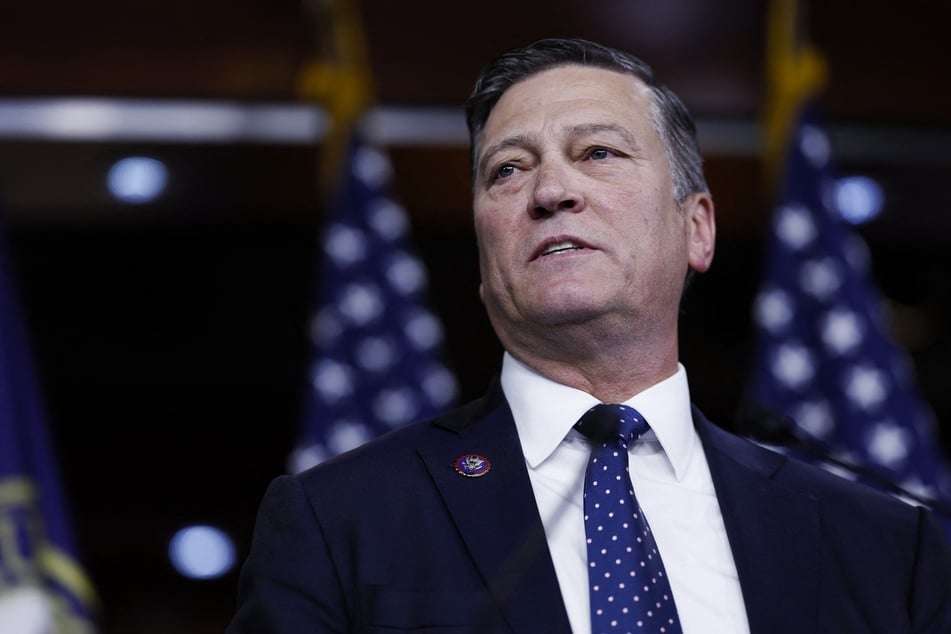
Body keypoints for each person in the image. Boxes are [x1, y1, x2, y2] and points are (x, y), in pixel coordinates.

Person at [227, 37, 951, 633]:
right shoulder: (337, 520)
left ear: (695, 227)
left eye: (598, 153)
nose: (551, 191)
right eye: (507, 169)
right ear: (484, 262)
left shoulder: (886, 544)